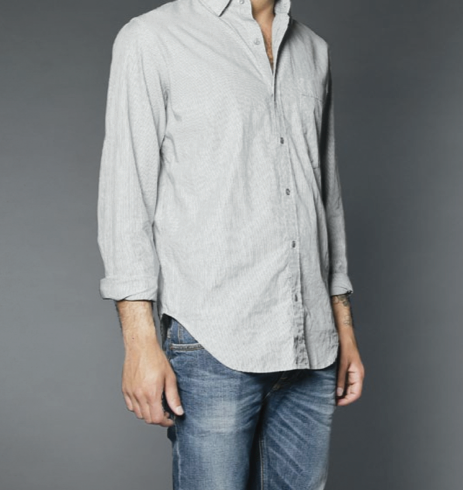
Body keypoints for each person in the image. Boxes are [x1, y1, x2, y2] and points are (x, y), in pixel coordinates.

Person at [97, 0, 365, 488]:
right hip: (212, 340)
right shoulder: (152, 38)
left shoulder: (313, 50)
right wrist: (139, 344)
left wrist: (342, 327)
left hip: (312, 344)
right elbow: (126, 198)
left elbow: (326, 199)